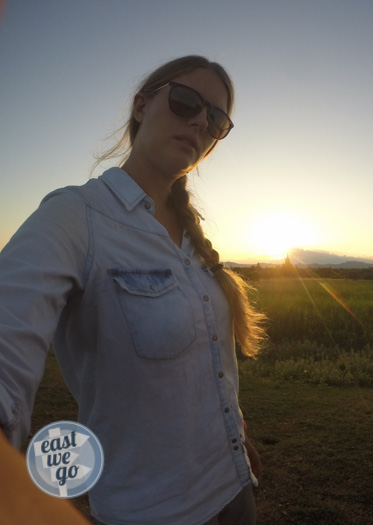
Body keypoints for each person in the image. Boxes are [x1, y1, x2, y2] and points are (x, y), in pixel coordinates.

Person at [0, 55, 266, 524]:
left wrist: (234, 431)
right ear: (141, 106)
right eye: (186, 101)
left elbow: (206, 361)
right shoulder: (75, 216)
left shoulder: (192, 236)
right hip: (153, 512)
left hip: (234, 489)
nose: (200, 122)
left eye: (216, 119)